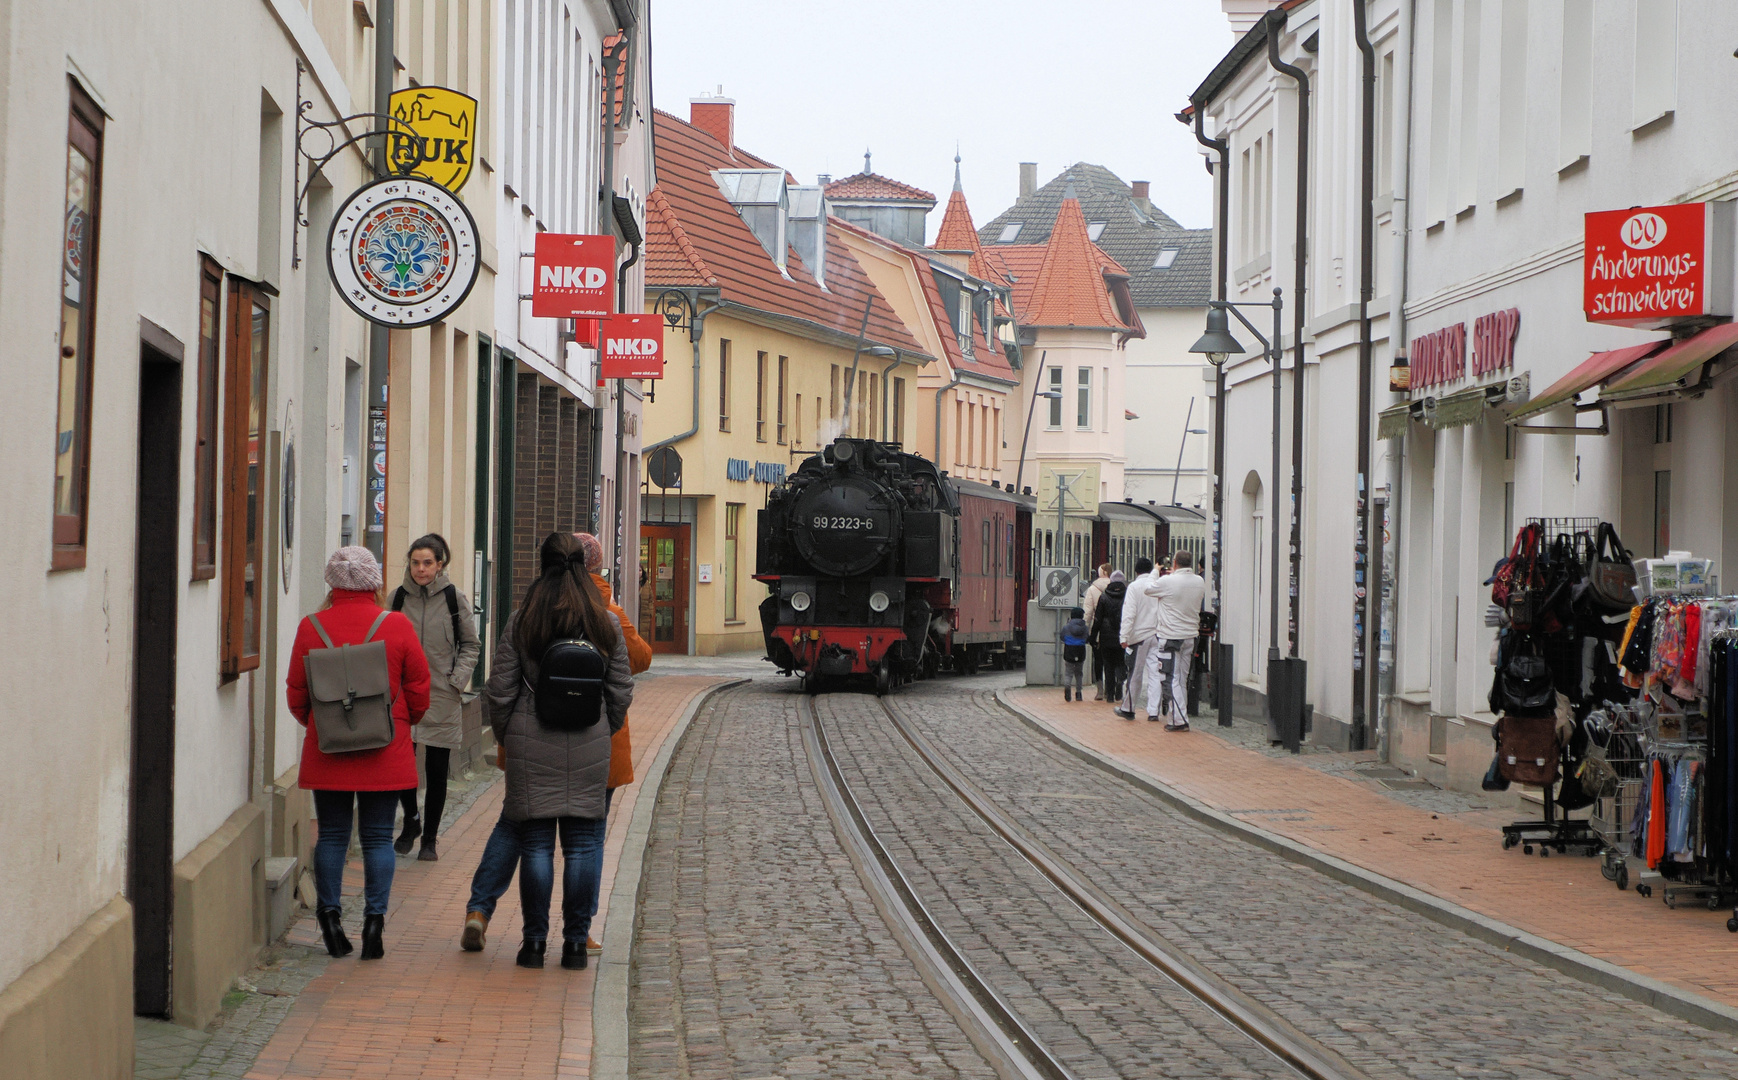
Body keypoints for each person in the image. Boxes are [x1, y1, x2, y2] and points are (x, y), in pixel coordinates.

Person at [462, 534, 653, 958]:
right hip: (590, 742)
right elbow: (621, 689)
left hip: (533, 743)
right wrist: (604, 726)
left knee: (536, 845)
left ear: (542, 564)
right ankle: (574, 945)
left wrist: (511, 733)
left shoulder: (524, 619)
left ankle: (532, 944)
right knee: (585, 844)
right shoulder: (604, 621)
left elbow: (499, 689)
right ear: (586, 568)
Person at [286, 547, 431, 960]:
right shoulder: (397, 625)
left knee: (331, 835)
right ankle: (373, 922)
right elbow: (420, 688)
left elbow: (297, 692)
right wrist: (401, 722)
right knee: (377, 838)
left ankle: (330, 918)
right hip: (385, 748)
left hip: (329, 748)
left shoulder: (311, 627)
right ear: (375, 583)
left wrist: (324, 725)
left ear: (332, 583)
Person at [390, 534, 481, 862]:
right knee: (402, 765)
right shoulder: (397, 599)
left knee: (437, 767)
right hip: (403, 697)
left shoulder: (455, 599)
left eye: (428, 562)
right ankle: (411, 820)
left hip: (442, 694)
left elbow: (471, 644)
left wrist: (457, 682)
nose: (420, 569)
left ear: (440, 564)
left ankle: (429, 839)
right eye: (415, 562)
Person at [1137, 549, 1207, 731]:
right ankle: (1178, 716)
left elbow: (1147, 588)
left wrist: (1156, 570)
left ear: (1174, 563)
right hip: (1191, 636)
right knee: (1181, 679)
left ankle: (1180, 719)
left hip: (1171, 637)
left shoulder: (1167, 581)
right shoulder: (1199, 582)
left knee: (1170, 678)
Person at [1116, 557, 1158, 720]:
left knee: (1135, 673)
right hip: (1157, 635)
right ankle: (1153, 711)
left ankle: (1129, 708)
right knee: (1155, 674)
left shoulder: (1134, 587)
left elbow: (1129, 614)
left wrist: (1123, 636)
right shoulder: (1157, 584)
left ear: (1136, 571)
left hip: (1140, 637)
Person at [1090, 571, 1127, 702]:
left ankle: (1110, 695)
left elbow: (1098, 619)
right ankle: (1119, 686)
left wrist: (1093, 636)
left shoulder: (1104, 596)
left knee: (1108, 665)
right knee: (1120, 662)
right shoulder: (1127, 595)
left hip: (1106, 637)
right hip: (1123, 635)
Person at [1082, 563, 1113, 698]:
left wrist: (1084, 629)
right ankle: (1112, 687)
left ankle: (1100, 689)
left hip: (1099, 631)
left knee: (1098, 660)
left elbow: (1087, 612)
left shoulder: (1092, 589)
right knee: (1112, 660)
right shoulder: (1118, 588)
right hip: (1115, 631)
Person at [1060, 606, 1089, 702]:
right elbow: (1086, 639)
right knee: (1079, 673)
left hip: (1069, 650)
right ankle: (1078, 693)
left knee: (1068, 672)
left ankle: (1067, 687)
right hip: (1080, 650)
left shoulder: (1066, 627)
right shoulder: (1085, 628)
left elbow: (1062, 637)